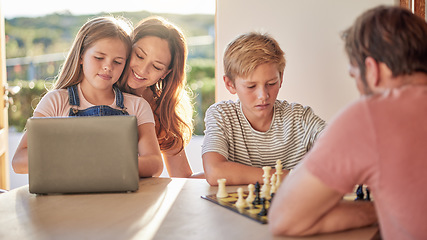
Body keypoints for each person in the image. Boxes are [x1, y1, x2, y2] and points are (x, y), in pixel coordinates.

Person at [269, 6, 427, 239]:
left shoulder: (372, 116)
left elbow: (284, 218)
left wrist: (376, 210)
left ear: (372, 70)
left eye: (355, 76)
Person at [12, 16, 163, 177]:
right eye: (99, 57)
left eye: (118, 62)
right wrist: (74, 158)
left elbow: (154, 164)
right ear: (81, 56)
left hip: (120, 199)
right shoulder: (55, 101)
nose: (107, 66)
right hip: (63, 200)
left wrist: (103, 162)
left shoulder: (137, 106)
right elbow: (19, 162)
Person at [202, 32, 326, 186]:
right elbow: (215, 172)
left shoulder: (300, 118)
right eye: (251, 86)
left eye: (271, 83)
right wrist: (292, 177)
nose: (263, 95)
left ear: (281, 78)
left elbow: (343, 148)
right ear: (230, 84)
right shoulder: (221, 115)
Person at [118, 16, 201, 178]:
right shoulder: (102, 92)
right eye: (140, 56)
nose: (142, 70)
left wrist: (223, 176)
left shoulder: (160, 109)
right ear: (128, 48)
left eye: (156, 66)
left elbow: (182, 176)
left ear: (166, 73)